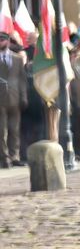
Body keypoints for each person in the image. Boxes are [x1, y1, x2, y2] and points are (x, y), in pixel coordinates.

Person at [0, 31, 27, 167]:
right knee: (2, 130)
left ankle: (14, 155)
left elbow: (22, 80)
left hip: (15, 98)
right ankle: (5, 157)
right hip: (1, 100)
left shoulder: (17, 59)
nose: (1, 42)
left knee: (15, 129)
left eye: (3, 40)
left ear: (8, 42)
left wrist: (24, 97)